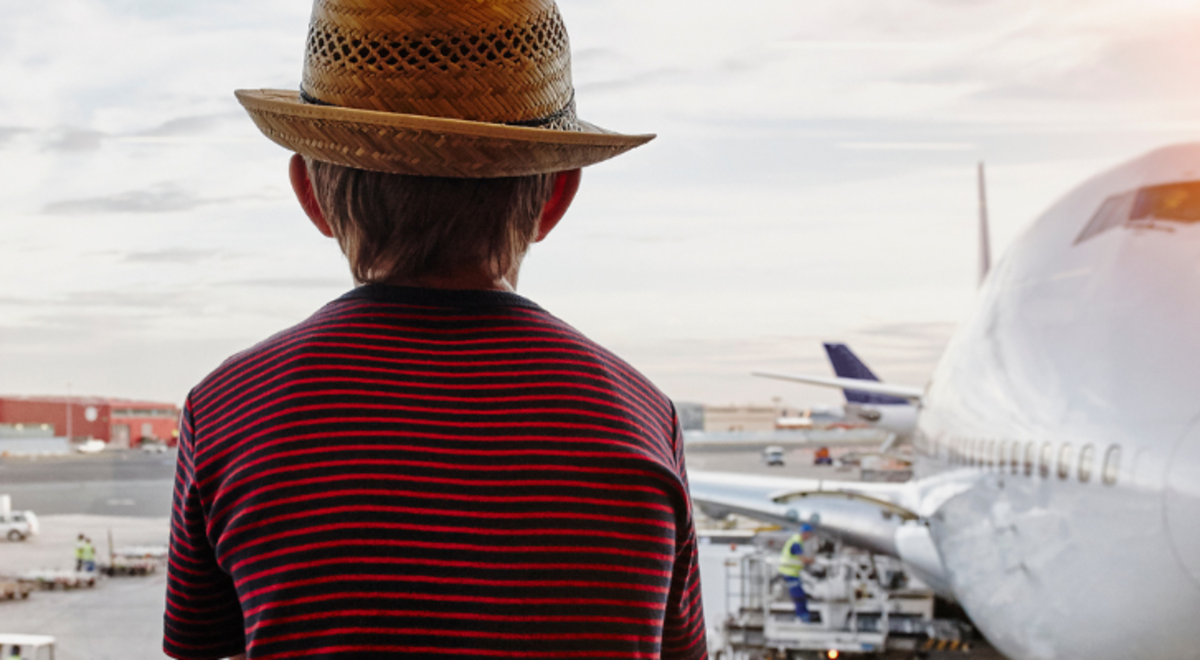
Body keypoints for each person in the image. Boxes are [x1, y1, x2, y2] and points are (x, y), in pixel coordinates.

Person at [162, 1, 705, 658]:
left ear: (310, 192)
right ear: (558, 196)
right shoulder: (640, 417)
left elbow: (198, 647)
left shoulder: (230, 409)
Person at [778, 524, 815, 622]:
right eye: (809, 534)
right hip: (789, 572)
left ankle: (803, 616)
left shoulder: (797, 540)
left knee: (799, 595)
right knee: (799, 596)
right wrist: (813, 560)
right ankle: (803, 617)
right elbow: (802, 559)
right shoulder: (796, 542)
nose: (809, 537)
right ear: (805, 533)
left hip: (791, 572)